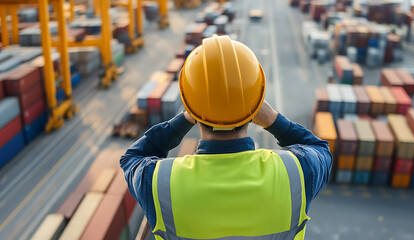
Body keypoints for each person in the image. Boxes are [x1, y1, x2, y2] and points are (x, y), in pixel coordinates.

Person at [120, 35, 332, 240]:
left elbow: (133, 157)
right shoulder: (296, 173)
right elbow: (320, 150)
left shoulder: (159, 184)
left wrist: (187, 116)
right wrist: (272, 119)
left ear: (191, 107)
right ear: (255, 106)